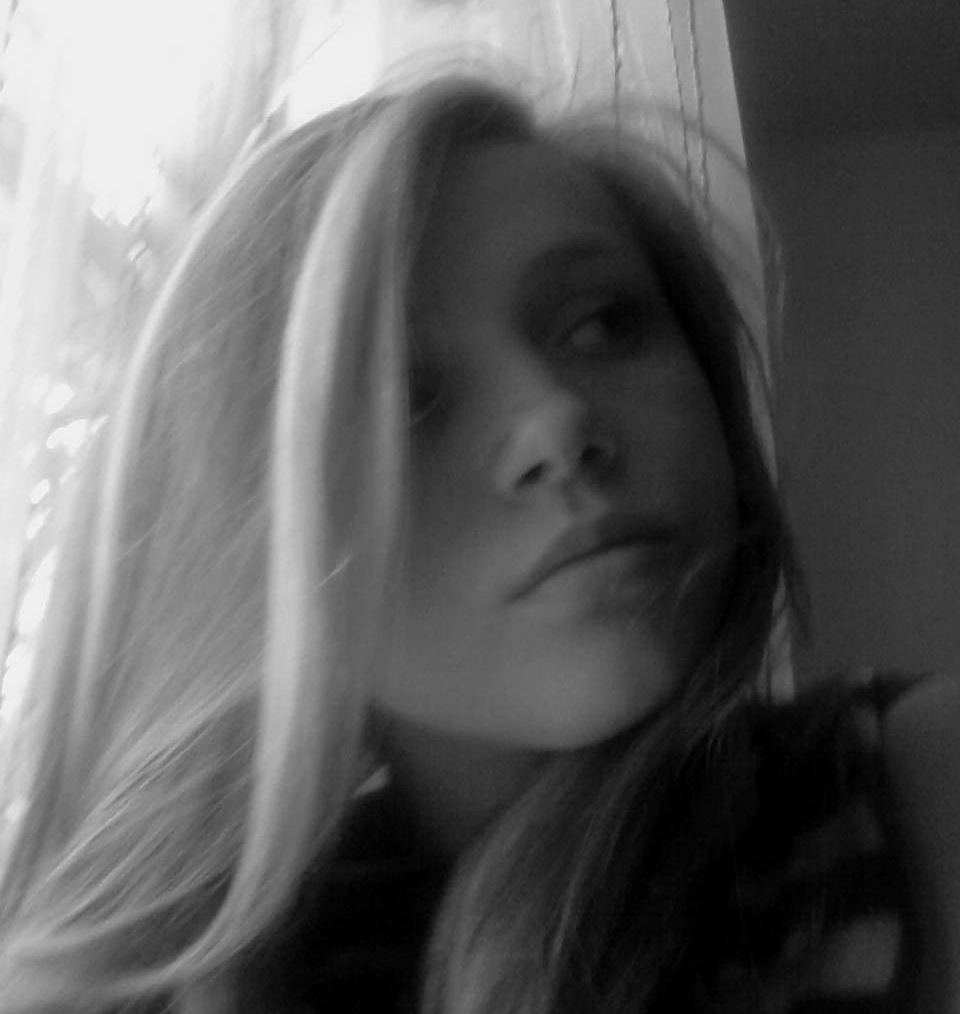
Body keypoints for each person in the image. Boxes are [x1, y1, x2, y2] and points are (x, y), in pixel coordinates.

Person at [0, 74, 955, 1012]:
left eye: (604, 323)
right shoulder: (164, 975)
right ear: (252, 541)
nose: (557, 422)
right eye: (403, 397)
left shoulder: (923, 786)